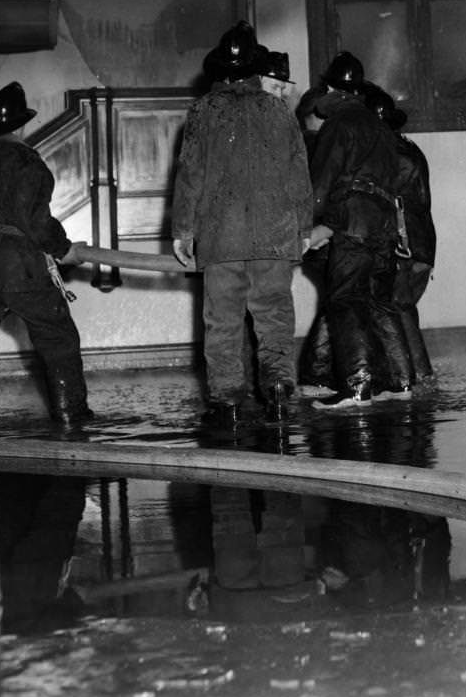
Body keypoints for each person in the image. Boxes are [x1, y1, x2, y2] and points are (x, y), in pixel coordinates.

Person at [172, 22, 315, 428]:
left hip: (220, 240)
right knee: (274, 319)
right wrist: (303, 229)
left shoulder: (202, 111)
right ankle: (278, 390)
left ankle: (228, 404)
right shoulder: (277, 110)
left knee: (222, 323)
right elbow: (298, 174)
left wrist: (183, 231)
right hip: (273, 237)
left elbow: (189, 176)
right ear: (255, 70)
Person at [304, 52, 415, 406]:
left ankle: (358, 386)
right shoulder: (381, 128)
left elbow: (321, 183)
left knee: (345, 301)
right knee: (381, 303)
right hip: (383, 229)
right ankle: (401, 384)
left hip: (352, 226)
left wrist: (307, 227)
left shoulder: (339, 125)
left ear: (332, 89)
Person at [0, 80, 92, 429]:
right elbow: (34, 219)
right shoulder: (25, 161)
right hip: (22, 268)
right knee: (58, 340)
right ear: (22, 125)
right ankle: (70, 416)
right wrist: (64, 250)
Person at [364, 85, 436, 384]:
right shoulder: (410, 148)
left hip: (401, 246)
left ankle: (414, 377)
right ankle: (419, 376)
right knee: (403, 308)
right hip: (421, 246)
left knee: (396, 309)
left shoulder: (384, 155)